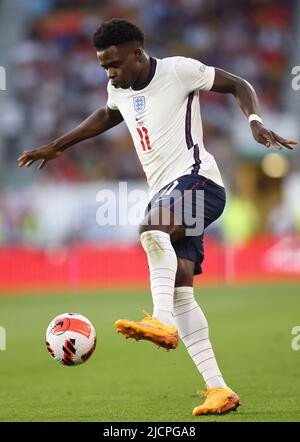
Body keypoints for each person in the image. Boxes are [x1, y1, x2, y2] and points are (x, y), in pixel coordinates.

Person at [18, 19, 297, 416]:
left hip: (199, 181)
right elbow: (108, 114)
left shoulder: (178, 70)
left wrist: (254, 121)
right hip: (168, 191)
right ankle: (219, 390)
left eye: (113, 63)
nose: (109, 73)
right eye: (103, 66)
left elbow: (238, 83)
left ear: (136, 53)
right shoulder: (119, 87)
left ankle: (160, 320)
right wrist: (57, 145)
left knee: (151, 230)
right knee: (182, 289)